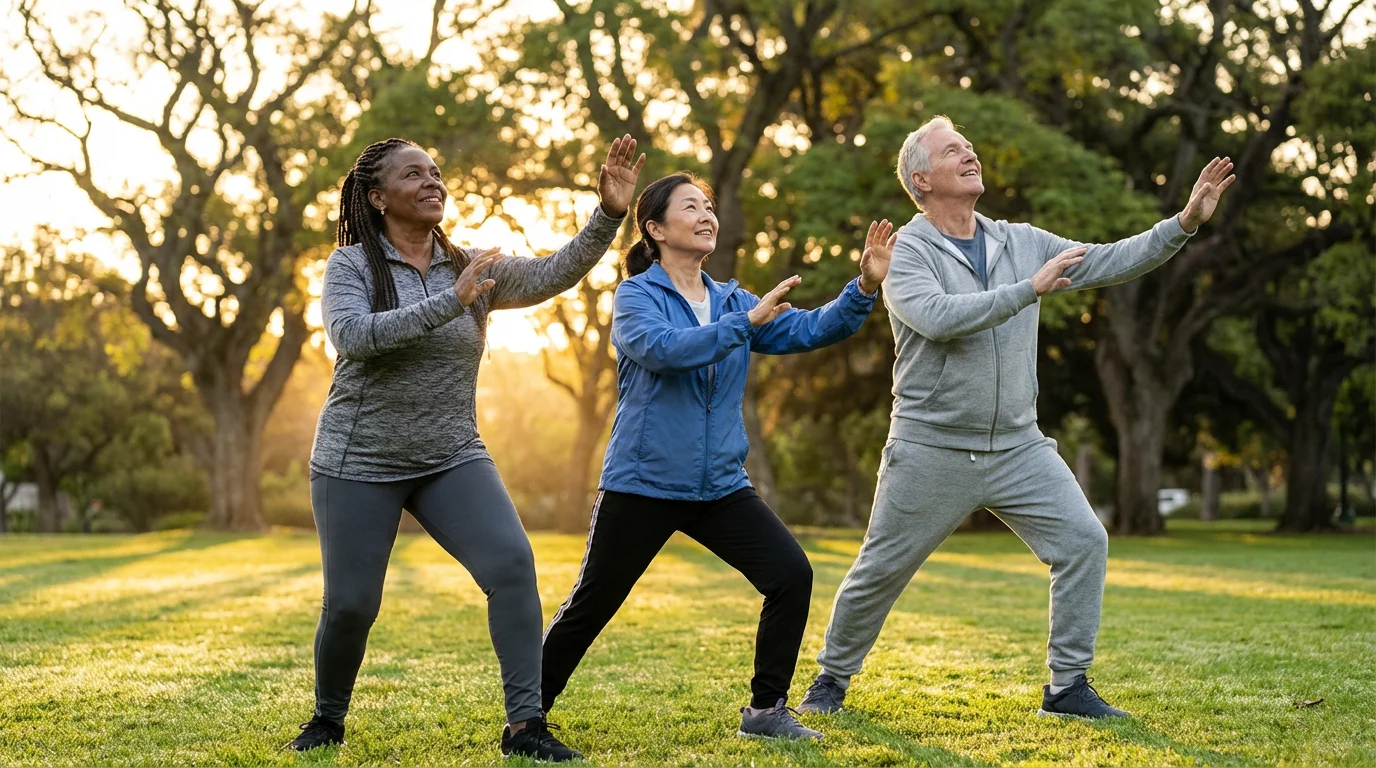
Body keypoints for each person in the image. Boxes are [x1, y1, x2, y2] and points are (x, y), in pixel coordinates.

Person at [798, 116, 1235, 719]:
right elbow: (940, 317)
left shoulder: (1020, 240)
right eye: (955, 151)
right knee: (881, 568)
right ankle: (830, 682)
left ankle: (1066, 688)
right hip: (931, 446)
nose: (970, 154)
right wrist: (1029, 290)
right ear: (921, 180)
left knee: (1084, 541)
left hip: (1018, 447)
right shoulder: (903, 253)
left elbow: (1107, 261)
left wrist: (1183, 225)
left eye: (971, 146)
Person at [289, 135, 645, 760]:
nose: (433, 181)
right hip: (358, 460)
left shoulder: (471, 266)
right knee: (350, 605)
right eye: (412, 174)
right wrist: (446, 303)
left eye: (435, 172)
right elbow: (353, 336)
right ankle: (327, 718)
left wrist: (609, 215)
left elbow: (549, 273)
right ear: (376, 198)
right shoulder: (352, 266)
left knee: (511, 566)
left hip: (450, 453)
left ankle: (525, 726)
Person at [539, 171, 897, 741]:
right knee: (592, 605)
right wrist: (743, 324)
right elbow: (663, 350)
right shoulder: (636, 296)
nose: (707, 214)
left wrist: (862, 289)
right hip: (643, 482)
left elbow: (805, 330)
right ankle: (527, 716)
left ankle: (765, 712)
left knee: (790, 575)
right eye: (691, 207)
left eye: (709, 205)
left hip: (719, 487)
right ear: (655, 228)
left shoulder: (732, 298)